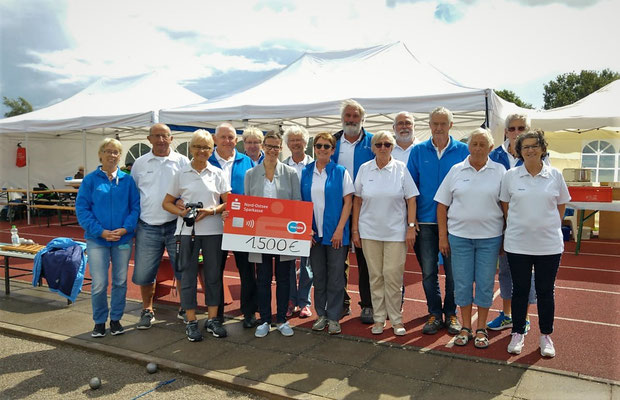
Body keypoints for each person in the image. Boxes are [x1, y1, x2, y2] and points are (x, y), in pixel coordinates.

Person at [434, 128, 505, 348]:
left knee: (484, 284)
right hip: (459, 238)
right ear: (468, 146)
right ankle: (466, 327)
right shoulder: (456, 170)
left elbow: (507, 206)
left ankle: (481, 328)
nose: (477, 148)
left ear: (491, 148)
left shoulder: (500, 171)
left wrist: (506, 237)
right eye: (474, 143)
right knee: (462, 284)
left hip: (490, 238)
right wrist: (443, 237)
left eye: (483, 144)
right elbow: (442, 205)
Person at [502, 130, 570, 357]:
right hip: (518, 244)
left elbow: (561, 205)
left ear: (542, 148)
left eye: (534, 145)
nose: (530, 150)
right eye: (525, 147)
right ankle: (518, 332)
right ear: (519, 152)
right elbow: (506, 206)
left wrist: (547, 225)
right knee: (519, 290)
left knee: (545, 291)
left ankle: (545, 336)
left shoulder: (555, 175)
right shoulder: (510, 176)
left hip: (548, 245)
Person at [162, 130, 231, 342]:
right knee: (188, 276)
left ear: (212, 150)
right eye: (198, 147)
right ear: (191, 148)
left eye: (206, 147)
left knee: (212, 277)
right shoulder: (180, 173)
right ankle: (191, 321)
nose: (202, 151)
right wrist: (182, 212)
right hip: (186, 233)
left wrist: (211, 211)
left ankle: (212, 320)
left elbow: (228, 202)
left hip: (213, 232)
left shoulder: (218, 173)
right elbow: (166, 203)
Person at [407, 106, 469, 335]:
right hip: (425, 222)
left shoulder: (464, 150)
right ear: (430, 125)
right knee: (429, 273)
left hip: (455, 223)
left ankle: (451, 313)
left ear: (451, 125)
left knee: (454, 273)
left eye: (444, 123)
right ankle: (434, 312)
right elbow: (410, 190)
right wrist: (411, 224)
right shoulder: (418, 151)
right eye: (435, 123)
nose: (439, 127)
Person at [352, 130, 418, 336]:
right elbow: (357, 200)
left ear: (392, 147)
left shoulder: (401, 168)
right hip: (369, 232)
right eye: (379, 144)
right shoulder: (365, 169)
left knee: (393, 277)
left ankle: (396, 320)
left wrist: (410, 226)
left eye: (387, 144)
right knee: (375, 277)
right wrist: (355, 229)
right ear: (372, 147)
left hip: (395, 233)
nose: (382, 148)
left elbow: (411, 199)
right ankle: (379, 319)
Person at [487, 114, 547, 332]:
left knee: (526, 273)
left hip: (529, 227)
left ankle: (525, 316)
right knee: (504, 271)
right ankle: (507, 314)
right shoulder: (493, 156)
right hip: (499, 223)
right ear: (505, 132)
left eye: (521, 127)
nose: (516, 132)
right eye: (511, 128)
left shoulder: (539, 155)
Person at [76, 138, 140, 338]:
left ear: (120, 156)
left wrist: (125, 229)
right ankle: (99, 321)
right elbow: (82, 209)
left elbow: (135, 207)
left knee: (120, 281)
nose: (112, 155)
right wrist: (100, 231)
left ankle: (116, 319)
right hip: (97, 240)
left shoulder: (128, 180)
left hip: (122, 239)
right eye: (108, 151)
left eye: (116, 152)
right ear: (100, 154)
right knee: (100, 283)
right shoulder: (90, 180)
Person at [131, 123, 190, 329]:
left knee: (182, 269)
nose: (161, 140)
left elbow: (189, 189)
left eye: (165, 136)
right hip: (147, 225)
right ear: (149, 139)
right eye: (156, 136)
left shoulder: (183, 161)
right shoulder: (139, 163)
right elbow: (133, 194)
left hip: (176, 225)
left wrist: (183, 200)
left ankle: (185, 307)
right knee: (145, 272)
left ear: (171, 138)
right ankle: (147, 309)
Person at [244, 131, 301, 338]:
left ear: (280, 148)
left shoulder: (290, 173)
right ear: (262, 147)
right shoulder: (251, 175)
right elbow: (248, 205)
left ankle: (282, 319)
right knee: (264, 278)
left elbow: (297, 204)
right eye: (268, 146)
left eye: (276, 146)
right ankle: (265, 319)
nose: (272, 150)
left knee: (284, 278)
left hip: (284, 234)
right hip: (260, 235)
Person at [301, 132, 354, 335]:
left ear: (333, 150)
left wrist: (340, 229)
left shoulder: (341, 172)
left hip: (336, 235)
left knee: (336, 278)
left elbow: (348, 202)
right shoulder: (306, 172)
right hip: (314, 235)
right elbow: (301, 203)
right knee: (320, 277)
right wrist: (307, 228)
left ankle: (334, 317)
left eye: (327, 146)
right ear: (314, 148)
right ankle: (321, 314)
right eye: (319, 146)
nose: (322, 149)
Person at [208, 123, 257, 328]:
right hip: (213, 225)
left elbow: (254, 193)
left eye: (231, 137)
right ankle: (216, 314)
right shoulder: (206, 162)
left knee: (246, 271)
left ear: (236, 140)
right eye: (223, 137)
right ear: (215, 139)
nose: (227, 141)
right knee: (214, 271)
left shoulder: (247, 162)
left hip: (241, 226)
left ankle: (249, 313)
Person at [331, 99, 375, 324]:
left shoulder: (373, 142)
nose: (351, 120)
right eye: (347, 116)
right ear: (342, 119)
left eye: (355, 116)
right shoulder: (332, 141)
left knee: (365, 259)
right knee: (338, 259)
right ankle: (342, 303)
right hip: (337, 208)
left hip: (364, 208)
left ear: (362, 119)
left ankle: (367, 304)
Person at [282, 124, 314, 319]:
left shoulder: (314, 164)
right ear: (287, 143)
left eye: (299, 140)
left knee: (306, 265)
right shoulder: (282, 166)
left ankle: (304, 302)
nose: (296, 143)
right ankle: (290, 300)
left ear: (305, 142)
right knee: (287, 264)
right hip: (287, 220)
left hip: (308, 220)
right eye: (292, 140)